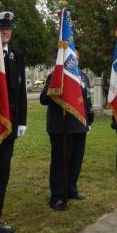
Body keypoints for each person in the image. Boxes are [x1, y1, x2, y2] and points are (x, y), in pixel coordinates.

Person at [40, 49, 94, 211]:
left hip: (79, 126)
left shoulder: (83, 77)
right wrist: (58, 86)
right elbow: (44, 99)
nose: (74, 59)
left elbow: (87, 101)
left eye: (76, 56)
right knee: (60, 163)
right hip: (61, 127)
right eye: (71, 57)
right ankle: (57, 196)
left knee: (75, 161)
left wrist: (89, 121)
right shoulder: (56, 75)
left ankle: (71, 189)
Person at [0, 12, 27, 233]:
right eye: (1, 28)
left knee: (1, 171)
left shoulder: (17, 55)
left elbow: (22, 90)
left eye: (8, 28)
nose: (5, 31)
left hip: (10, 121)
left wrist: (22, 121)